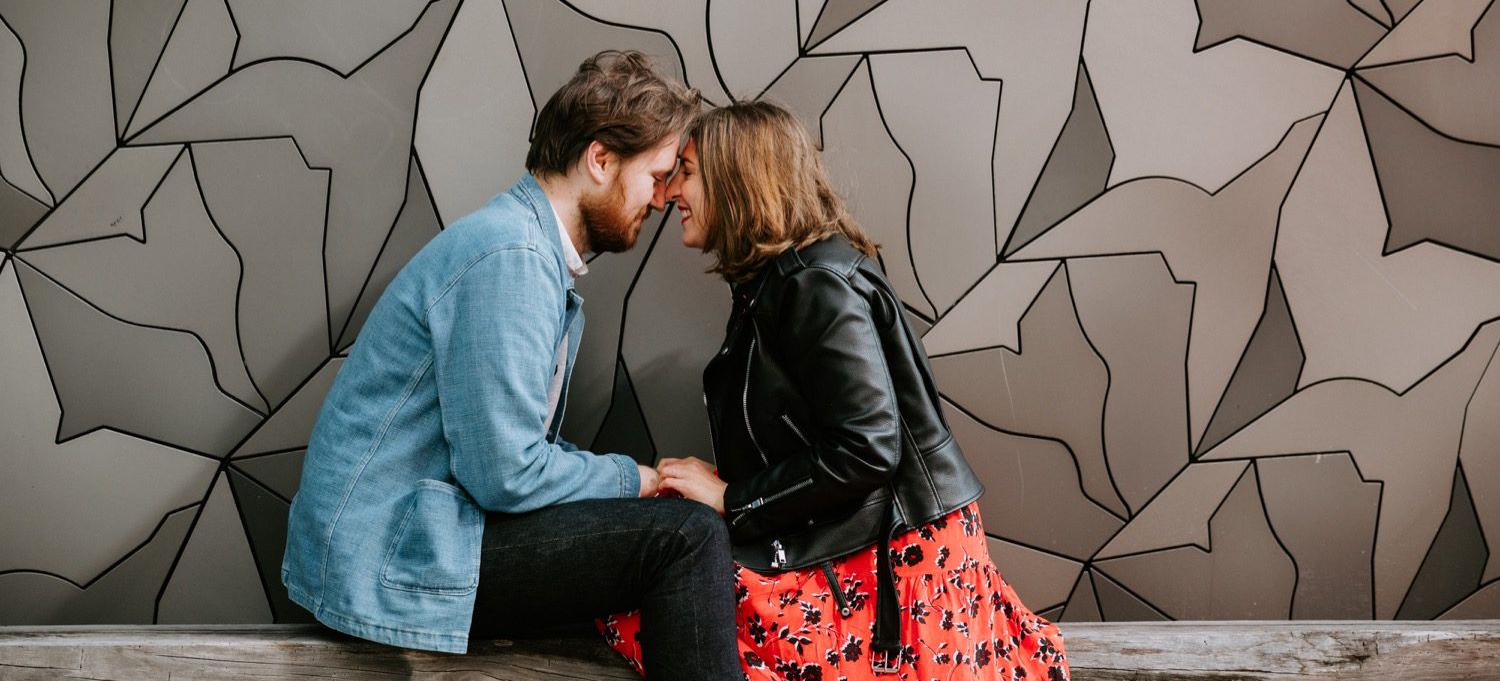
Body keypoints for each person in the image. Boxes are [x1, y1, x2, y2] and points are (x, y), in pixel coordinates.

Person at [282, 52, 741, 680]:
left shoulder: (523, 248)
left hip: (412, 539)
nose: (663, 199)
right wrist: (636, 481)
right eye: (657, 175)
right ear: (600, 160)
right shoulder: (512, 256)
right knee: (683, 537)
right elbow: (505, 474)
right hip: (388, 557)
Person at [602, 100, 1071, 681]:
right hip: (854, 552)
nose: (670, 192)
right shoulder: (779, 284)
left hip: (894, 572)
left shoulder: (813, 284)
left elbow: (868, 446)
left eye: (688, 173)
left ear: (737, 176)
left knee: (654, 587)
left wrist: (734, 499)